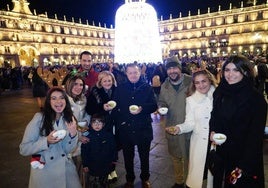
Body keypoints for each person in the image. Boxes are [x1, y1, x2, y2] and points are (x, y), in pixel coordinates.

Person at [209, 55, 267, 188]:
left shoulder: (256, 100)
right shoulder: (220, 92)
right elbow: (214, 116)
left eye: (236, 70)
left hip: (243, 156)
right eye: (227, 70)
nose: (230, 74)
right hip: (222, 152)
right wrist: (213, 131)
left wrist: (243, 165)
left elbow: (255, 137)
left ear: (245, 72)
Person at [19, 87, 81, 188]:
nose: (58, 101)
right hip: (45, 172)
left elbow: (68, 150)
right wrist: (46, 141)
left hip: (65, 170)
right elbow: (24, 149)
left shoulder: (69, 118)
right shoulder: (39, 118)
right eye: (54, 98)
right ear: (48, 101)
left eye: (61, 98)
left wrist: (73, 134)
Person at [167, 69, 217, 188]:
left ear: (210, 81)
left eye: (204, 81)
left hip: (216, 143)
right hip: (199, 143)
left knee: (215, 176)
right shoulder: (191, 100)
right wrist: (179, 128)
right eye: (197, 82)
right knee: (198, 176)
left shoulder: (219, 96)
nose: (201, 85)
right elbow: (190, 123)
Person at [112, 63, 158, 188]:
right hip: (126, 128)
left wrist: (142, 109)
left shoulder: (146, 87)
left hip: (143, 127)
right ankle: (130, 179)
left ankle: (145, 178)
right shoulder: (120, 88)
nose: (133, 75)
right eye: (130, 72)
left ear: (140, 73)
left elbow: (154, 105)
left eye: (135, 72)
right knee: (128, 156)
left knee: (144, 156)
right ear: (126, 74)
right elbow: (115, 106)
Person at [158, 55, 192, 188]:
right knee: (175, 156)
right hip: (172, 126)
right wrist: (161, 107)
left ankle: (191, 181)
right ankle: (179, 181)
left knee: (190, 157)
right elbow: (161, 101)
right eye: (169, 69)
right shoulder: (164, 85)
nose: (172, 71)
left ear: (180, 68)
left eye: (174, 68)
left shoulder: (191, 81)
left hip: (190, 126)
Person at [86, 70, 118, 182]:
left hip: (115, 124)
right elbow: (89, 109)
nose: (107, 83)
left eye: (109, 80)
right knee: (102, 149)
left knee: (113, 147)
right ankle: (105, 170)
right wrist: (102, 108)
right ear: (100, 82)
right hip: (101, 125)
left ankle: (112, 169)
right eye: (105, 81)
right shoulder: (95, 92)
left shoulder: (117, 90)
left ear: (113, 81)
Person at [64, 75, 91, 180]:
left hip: (82, 137)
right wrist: (78, 136)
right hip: (69, 139)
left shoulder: (83, 99)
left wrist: (86, 121)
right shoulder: (63, 101)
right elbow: (62, 123)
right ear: (69, 85)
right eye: (75, 84)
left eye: (81, 85)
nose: (79, 87)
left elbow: (87, 114)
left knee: (80, 168)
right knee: (70, 170)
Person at [81, 114, 117, 188]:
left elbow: (113, 148)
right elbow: (84, 152)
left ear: (103, 124)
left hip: (105, 164)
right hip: (92, 165)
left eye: (99, 123)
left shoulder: (109, 136)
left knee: (104, 181)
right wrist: (85, 164)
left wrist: (114, 158)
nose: (97, 125)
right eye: (94, 123)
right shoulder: (87, 138)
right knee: (93, 183)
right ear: (91, 124)